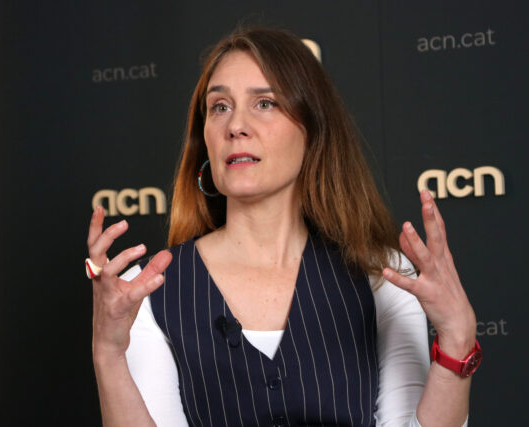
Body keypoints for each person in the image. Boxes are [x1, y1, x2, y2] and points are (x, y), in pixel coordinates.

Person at [87, 27, 480, 427]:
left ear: (312, 130)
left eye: (265, 103)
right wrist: (108, 354)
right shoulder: (147, 289)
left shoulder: (383, 276)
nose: (236, 126)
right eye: (219, 106)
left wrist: (457, 338)